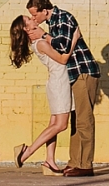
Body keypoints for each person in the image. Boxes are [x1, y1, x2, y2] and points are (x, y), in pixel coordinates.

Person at [25, 0, 100, 177]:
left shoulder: (63, 17)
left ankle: (85, 164)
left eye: (35, 15)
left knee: (84, 120)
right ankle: (75, 162)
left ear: (45, 10)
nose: (35, 19)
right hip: (74, 74)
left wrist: (43, 35)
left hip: (84, 71)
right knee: (76, 120)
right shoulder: (53, 23)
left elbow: (64, 46)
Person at [9, 15, 80, 173]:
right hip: (59, 84)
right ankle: (26, 153)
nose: (34, 19)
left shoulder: (40, 41)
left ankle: (49, 161)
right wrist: (74, 39)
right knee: (61, 125)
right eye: (30, 19)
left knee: (53, 125)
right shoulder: (40, 43)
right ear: (27, 29)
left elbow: (56, 44)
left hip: (56, 83)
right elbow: (62, 59)